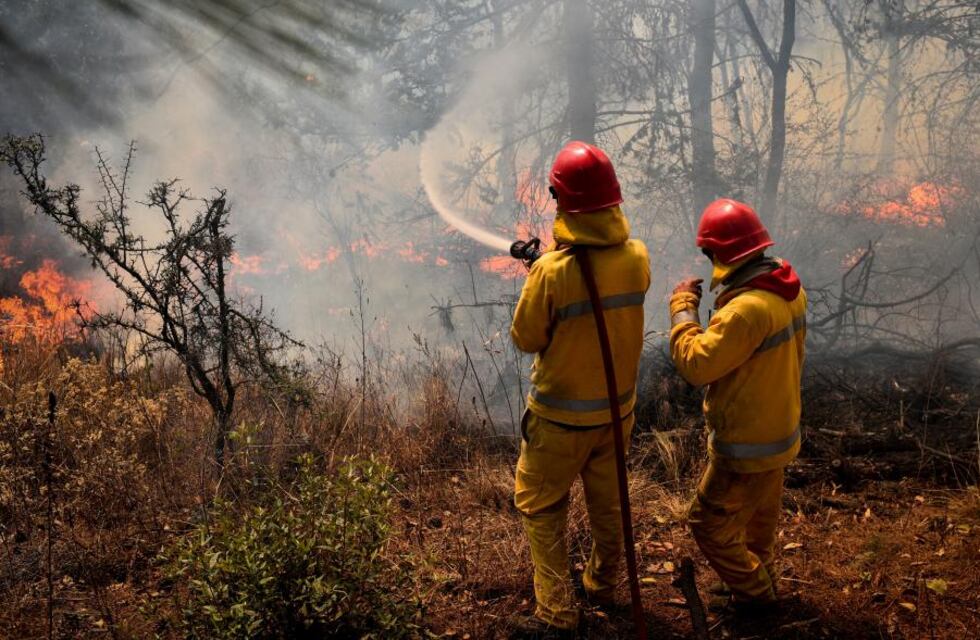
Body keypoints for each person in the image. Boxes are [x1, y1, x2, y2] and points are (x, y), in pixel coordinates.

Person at [510, 140, 650, 637]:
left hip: (558, 422)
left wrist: (539, 276)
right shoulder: (637, 257)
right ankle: (603, 585)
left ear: (562, 201)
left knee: (541, 506)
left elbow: (527, 338)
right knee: (610, 505)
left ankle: (556, 611)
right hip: (616, 416)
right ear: (613, 199)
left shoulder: (552, 271)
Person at [669, 198, 806, 614]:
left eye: (709, 252)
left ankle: (756, 597)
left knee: (707, 525)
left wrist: (682, 308)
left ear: (720, 253)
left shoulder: (746, 311)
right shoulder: (785, 287)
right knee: (757, 526)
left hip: (746, 442)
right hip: (778, 434)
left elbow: (697, 365)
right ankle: (755, 579)